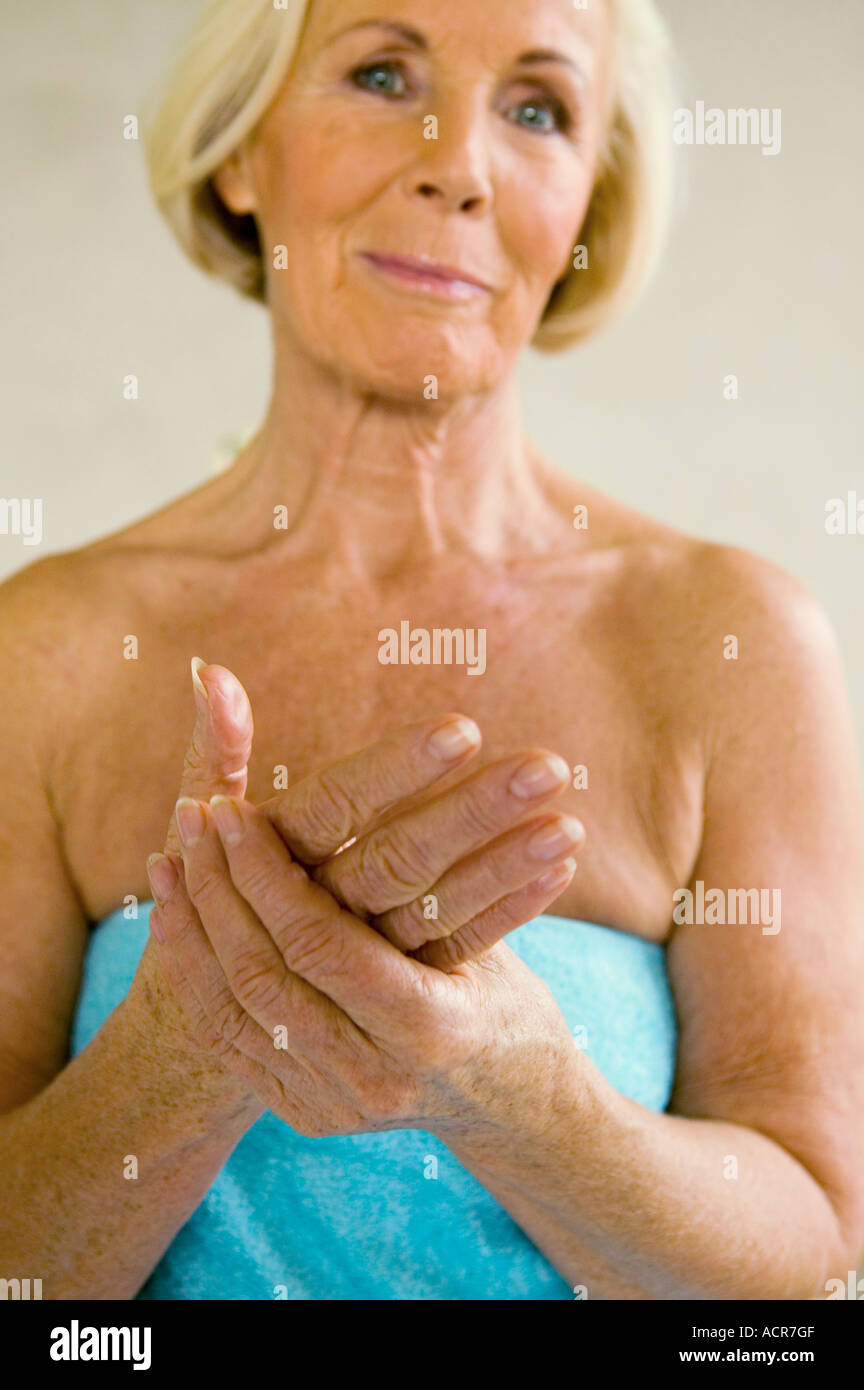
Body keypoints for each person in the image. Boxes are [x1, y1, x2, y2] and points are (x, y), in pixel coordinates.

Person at [1, 0, 863, 1300]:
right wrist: (186, 1043)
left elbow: (807, 1245)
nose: (458, 161)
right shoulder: (47, 648)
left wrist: (521, 1094)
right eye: (382, 70)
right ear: (242, 152)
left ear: (586, 205)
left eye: (537, 108)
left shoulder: (732, 641)